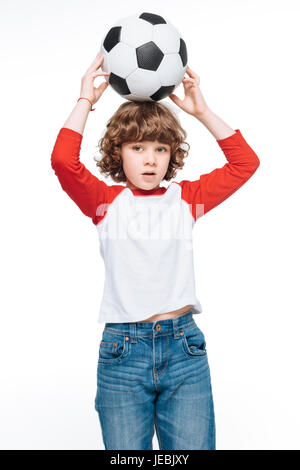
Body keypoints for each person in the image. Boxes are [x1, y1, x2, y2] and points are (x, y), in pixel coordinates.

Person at [51, 52, 260, 450]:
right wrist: (85, 100)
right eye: (137, 148)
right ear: (119, 153)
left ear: (171, 155)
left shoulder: (187, 200)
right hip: (122, 352)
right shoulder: (104, 203)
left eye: (160, 149)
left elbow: (244, 164)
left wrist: (202, 111)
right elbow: (63, 160)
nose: (150, 159)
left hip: (184, 349)